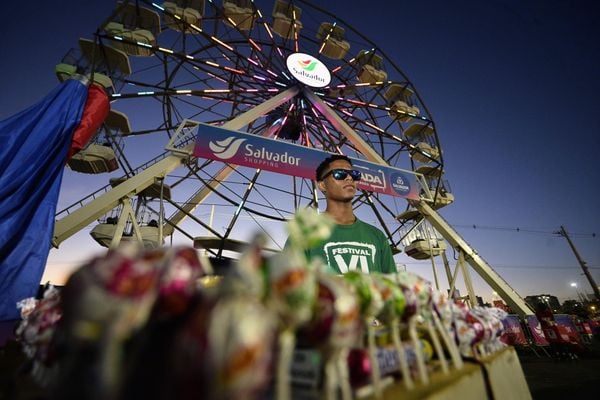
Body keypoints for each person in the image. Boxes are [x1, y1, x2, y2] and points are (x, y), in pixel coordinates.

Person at [306, 154, 396, 274]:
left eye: (354, 175)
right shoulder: (305, 235)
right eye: (339, 174)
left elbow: (392, 288)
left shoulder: (377, 236)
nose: (349, 178)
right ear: (322, 185)